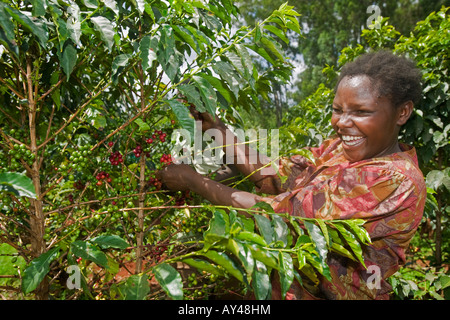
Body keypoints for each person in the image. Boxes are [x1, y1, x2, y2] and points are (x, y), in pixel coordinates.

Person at [156, 50, 427, 300]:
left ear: (402, 112)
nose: (342, 123)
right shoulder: (337, 150)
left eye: (361, 112)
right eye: (337, 110)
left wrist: (194, 181)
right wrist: (214, 127)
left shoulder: (395, 178)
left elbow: (280, 214)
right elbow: (271, 174)